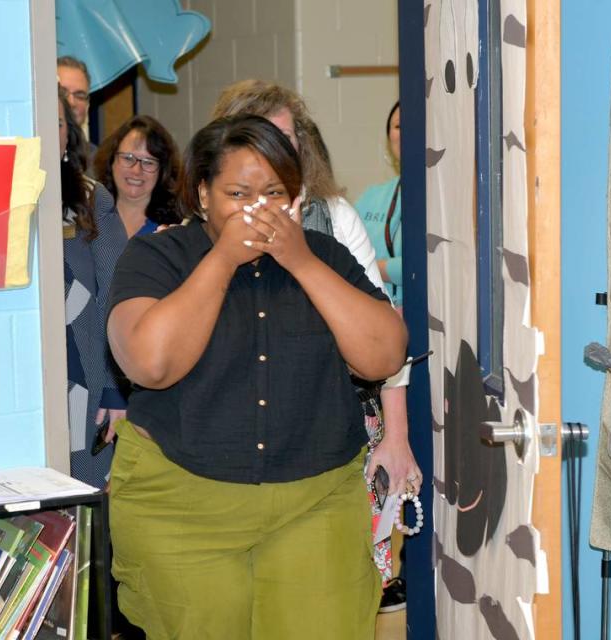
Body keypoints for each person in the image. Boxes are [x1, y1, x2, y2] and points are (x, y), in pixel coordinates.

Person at [106, 114, 408, 639]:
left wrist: (303, 262)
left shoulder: (326, 257)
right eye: (238, 193)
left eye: (273, 193)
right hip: (181, 502)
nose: (257, 209)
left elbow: (383, 356)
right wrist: (222, 260)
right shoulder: (159, 255)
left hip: (315, 501)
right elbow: (149, 364)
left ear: (295, 200)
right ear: (203, 194)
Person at [211, 80, 421, 601]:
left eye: (291, 138)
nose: (281, 153)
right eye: (266, 137)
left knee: (331, 589)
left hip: (333, 429)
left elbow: (383, 333)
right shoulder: (206, 227)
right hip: (238, 447)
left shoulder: (334, 216)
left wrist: (396, 438)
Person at [354, 100, 409, 611]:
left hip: (417, 343)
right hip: (375, 350)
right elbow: (353, 266)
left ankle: (407, 565)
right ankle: (386, 571)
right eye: (395, 125)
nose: (402, 134)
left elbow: (424, 262)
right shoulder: (372, 196)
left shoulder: (435, 191)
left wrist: (383, 268)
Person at [57, 86, 127, 488]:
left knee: (84, 501)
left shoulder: (90, 197)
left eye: (58, 123)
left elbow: (117, 296)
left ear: (70, 134)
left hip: (86, 382)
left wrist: (117, 389)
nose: (49, 131)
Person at [93, 115, 182, 237]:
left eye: (148, 162)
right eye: (128, 158)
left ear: (163, 170)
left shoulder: (175, 231)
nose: (136, 170)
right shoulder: (86, 220)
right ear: (111, 160)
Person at [356, 101, 403, 308]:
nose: (406, 131)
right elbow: (343, 256)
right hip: (376, 314)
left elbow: (434, 265)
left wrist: (375, 268)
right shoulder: (370, 197)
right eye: (399, 126)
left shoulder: (446, 203)